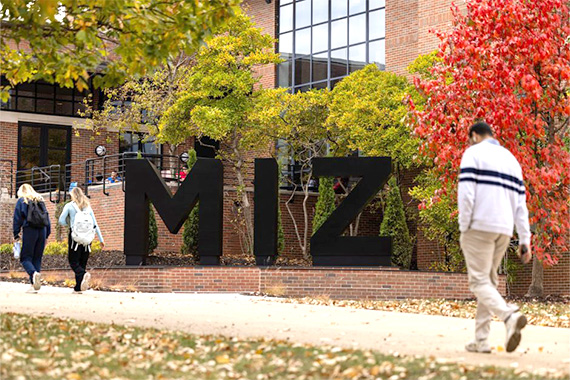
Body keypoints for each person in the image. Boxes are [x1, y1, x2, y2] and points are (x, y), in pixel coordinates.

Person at [458, 121, 532, 354]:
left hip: (479, 225)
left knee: (478, 282)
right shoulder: (511, 159)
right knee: (487, 282)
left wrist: (464, 225)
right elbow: (521, 204)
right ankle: (481, 341)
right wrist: (524, 239)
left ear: (475, 135)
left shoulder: (473, 153)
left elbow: (467, 193)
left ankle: (509, 315)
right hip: (504, 228)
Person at [58, 187, 105, 294]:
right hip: (88, 237)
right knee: (82, 261)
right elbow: (95, 224)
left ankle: (83, 274)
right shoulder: (88, 207)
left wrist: (70, 225)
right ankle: (78, 287)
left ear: (73, 195)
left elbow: (61, 220)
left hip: (75, 237)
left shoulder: (69, 206)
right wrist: (101, 239)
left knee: (73, 261)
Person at [13, 184, 51, 293]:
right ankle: (33, 285)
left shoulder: (22, 201)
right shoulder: (40, 200)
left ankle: (33, 273)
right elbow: (47, 218)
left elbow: (17, 219)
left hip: (30, 229)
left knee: (25, 258)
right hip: (42, 230)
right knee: (37, 257)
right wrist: (47, 233)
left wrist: (16, 234)